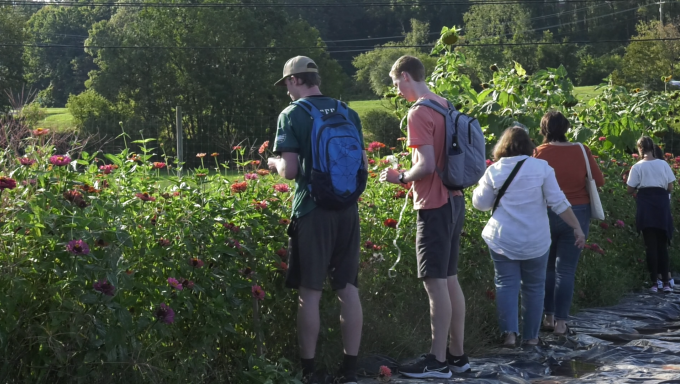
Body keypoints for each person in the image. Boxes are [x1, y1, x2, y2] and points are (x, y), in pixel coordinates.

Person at [268, 56, 366, 384]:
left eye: (286, 85)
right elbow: (360, 162)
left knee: (309, 292)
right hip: (347, 210)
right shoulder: (347, 111)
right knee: (348, 288)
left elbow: (291, 170)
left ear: (296, 80)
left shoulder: (292, 115)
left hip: (312, 211)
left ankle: (308, 371)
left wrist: (274, 164)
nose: (286, 92)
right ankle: (350, 369)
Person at [380, 55, 470, 379]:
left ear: (405, 76)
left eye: (395, 84)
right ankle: (457, 357)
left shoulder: (418, 111)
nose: (396, 90)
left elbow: (427, 165)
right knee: (449, 280)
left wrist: (400, 176)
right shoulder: (444, 104)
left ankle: (437, 361)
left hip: (433, 204)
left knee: (435, 284)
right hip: (456, 200)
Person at [472, 126, 585, 347]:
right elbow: (558, 202)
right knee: (534, 287)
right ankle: (531, 338)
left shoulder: (494, 170)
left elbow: (481, 204)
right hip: (536, 239)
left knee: (506, 284)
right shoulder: (542, 168)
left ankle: (509, 336)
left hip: (502, 238)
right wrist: (577, 227)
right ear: (529, 146)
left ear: (502, 146)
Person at [533, 111, 604, 336]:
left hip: (546, 212)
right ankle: (562, 323)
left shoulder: (537, 153)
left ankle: (548, 317)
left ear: (544, 129)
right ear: (566, 128)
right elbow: (598, 180)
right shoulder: (581, 150)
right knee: (566, 270)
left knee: (546, 268)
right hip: (577, 212)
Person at [626, 136, 675, 293]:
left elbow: (630, 189)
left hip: (646, 205)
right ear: (652, 148)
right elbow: (670, 187)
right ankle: (666, 282)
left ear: (639, 149)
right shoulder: (663, 164)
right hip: (661, 204)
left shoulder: (637, 167)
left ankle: (654, 282)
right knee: (662, 244)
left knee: (650, 245)